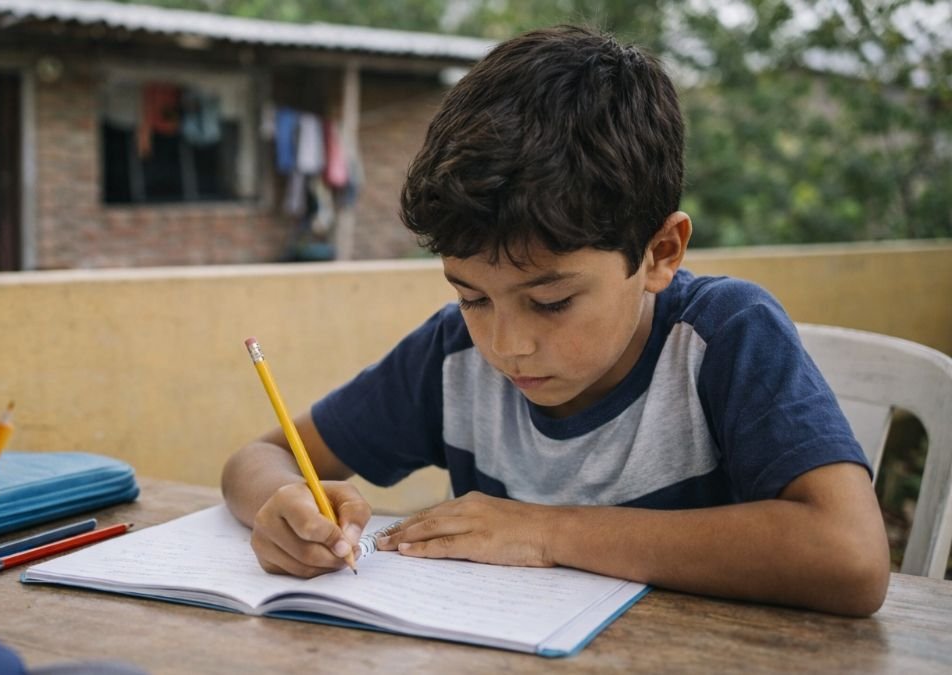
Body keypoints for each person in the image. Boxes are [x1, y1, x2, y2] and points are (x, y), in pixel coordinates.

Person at [221, 25, 889, 617]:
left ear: (659, 253)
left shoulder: (724, 336)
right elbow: (259, 454)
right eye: (473, 296)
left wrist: (548, 531)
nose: (506, 345)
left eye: (551, 301)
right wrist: (286, 504)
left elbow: (852, 556)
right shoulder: (451, 357)